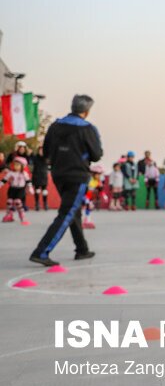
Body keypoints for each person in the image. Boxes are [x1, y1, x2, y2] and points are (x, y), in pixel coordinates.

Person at [30, 94, 102, 267]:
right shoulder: (87, 128)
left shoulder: (55, 126)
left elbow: (46, 151)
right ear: (86, 111)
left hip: (58, 174)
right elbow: (97, 155)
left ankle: (82, 249)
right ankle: (41, 251)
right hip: (77, 175)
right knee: (67, 213)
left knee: (72, 210)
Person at [2, 156, 32, 225]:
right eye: (15, 164)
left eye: (18, 165)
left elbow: (28, 181)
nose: (16, 166)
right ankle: (9, 215)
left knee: (17, 201)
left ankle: (22, 216)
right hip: (12, 189)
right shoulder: (11, 173)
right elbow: (4, 180)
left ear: (22, 166)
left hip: (20, 190)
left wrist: (30, 188)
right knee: (9, 202)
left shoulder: (24, 173)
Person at [82, 164, 103, 229]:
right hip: (84, 195)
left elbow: (99, 190)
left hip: (90, 196)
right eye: (98, 174)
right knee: (86, 207)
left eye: (100, 174)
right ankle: (84, 220)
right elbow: (84, 189)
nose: (99, 176)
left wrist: (100, 188)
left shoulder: (97, 181)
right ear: (93, 174)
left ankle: (87, 220)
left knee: (89, 208)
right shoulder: (89, 180)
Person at [30, 145, 50, 211]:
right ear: (38, 151)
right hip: (36, 175)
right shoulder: (35, 157)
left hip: (44, 176)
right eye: (40, 150)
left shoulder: (46, 157)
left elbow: (50, 162)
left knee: (44, 191)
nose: (41, 151)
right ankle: (37, 204)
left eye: (42, 150)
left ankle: (45, 203)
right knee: (37, 190)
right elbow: (30, 160)